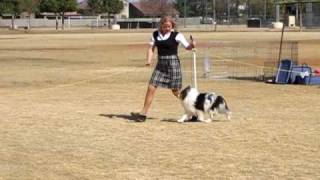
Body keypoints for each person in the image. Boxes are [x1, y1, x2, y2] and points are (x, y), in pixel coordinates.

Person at [131, 16, 195, 122]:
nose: (167, 28)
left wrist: (192, 45)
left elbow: (187, 47)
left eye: (169, 26)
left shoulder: (177, 35)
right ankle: (143, 114)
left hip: (173, 64)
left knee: (175, 91)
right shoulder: (155, 34)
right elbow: (151, 49)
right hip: (160, 64)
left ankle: (193, 111)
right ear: (161, 25)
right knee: (151, 87)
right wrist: (148, 61)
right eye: (165, 26)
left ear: (172, 26)